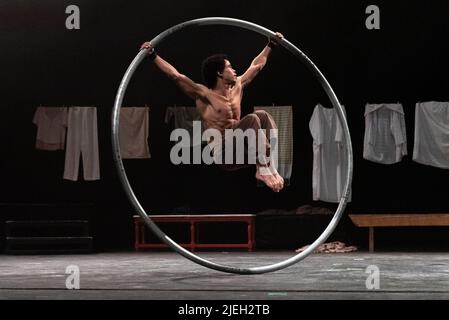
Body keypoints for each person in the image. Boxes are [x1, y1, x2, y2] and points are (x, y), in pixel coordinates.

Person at [141, 33, 285, 192]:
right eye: (229, 67)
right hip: (224, 154)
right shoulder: (204, 94)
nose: (234, 69)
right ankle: (263, 168)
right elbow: (175, 76)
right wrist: (153, 55)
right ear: (219, 73)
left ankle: (265, 166)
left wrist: (271, 44)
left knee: (263, 115)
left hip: (241, 147)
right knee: (252, 119)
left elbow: (257, 65)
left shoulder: (238, 86)